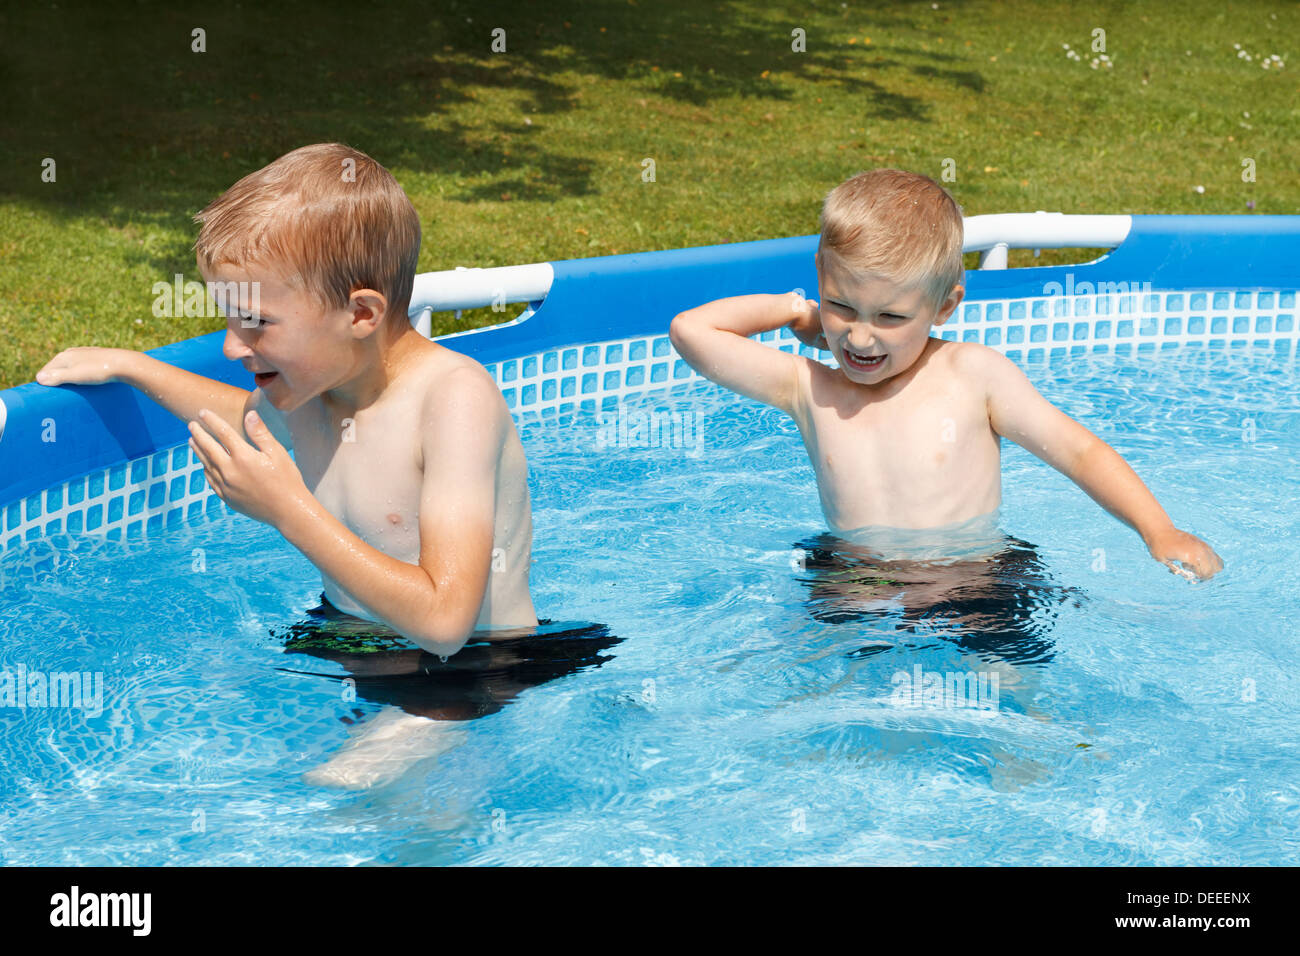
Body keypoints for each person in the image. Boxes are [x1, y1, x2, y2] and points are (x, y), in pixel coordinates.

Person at [36, 143, 549, 786]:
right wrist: (135, 368)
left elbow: (446, 623)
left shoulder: (453, 400)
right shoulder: (317, 389)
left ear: (360, 314)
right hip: (353, 639)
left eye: (255, 323)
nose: (230, 345)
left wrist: (287, 509)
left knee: (344, 789)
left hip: (468, 669)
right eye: (228, 318)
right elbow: (242, 412)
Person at [670, 168, 1224, 586]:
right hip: (856, 579)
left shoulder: (972, 375)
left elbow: (1078, 452)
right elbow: (691, 331)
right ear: (820, 280)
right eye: (842, 307)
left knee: (1008, 696)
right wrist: (795, 311)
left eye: (890, 317)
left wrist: (1159, 529)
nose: (860, 338)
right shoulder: (807, 387)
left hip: (972, 577)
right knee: (821, 690)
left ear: (945, 305)